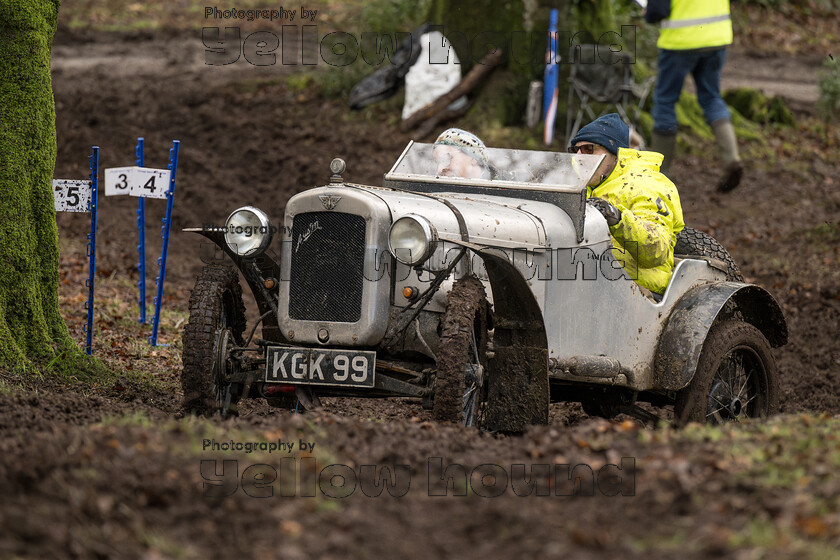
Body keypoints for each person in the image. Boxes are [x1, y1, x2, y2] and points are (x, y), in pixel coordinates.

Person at [570, 113, 685, 296]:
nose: (578, 157)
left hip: (639, 290)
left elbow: (656, 249)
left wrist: (617, 217)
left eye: (589, 149)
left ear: (614, 153)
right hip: (588, 283)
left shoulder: (645, 184)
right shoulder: (578, 186)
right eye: (574, 150)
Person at [645, 0, 743, 192]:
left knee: (665, 101)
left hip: (679, 41)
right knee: (712, 97)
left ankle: (661, 174)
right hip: (716, 37)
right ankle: (731, 158)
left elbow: (657, 10)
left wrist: (648, 13)